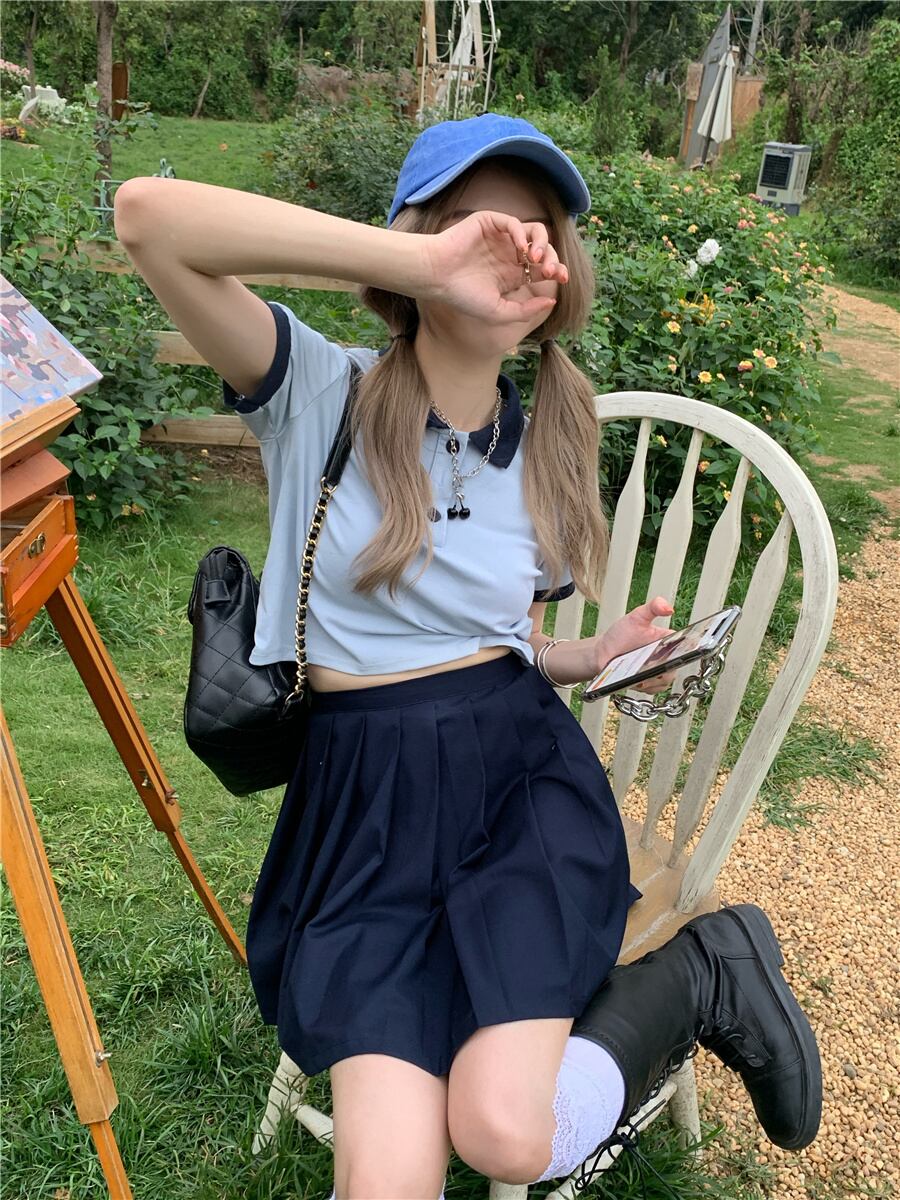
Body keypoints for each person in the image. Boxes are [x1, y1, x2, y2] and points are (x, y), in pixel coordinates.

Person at [115, 113, 821, 1200]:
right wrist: (427, 264)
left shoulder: (549, 449)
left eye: (538, 232)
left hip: (518, 796)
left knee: (503, 1135)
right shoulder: (320, 393)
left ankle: (702, 971)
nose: (512, 248)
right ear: (419, 243)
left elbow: (510, 650)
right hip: (365, 817)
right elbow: (148, 219)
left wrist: (594, 654)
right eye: (479, 224)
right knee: (389, 1177)